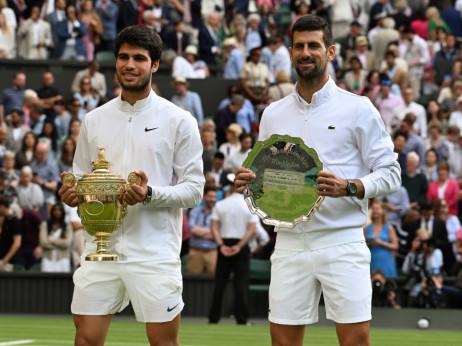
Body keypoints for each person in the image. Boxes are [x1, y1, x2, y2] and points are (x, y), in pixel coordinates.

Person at [234, 14, 401, 346]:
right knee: (282, 342)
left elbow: (391, 173)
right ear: (291, 52)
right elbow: (267, 178)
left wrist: (351, 186)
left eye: (314, 45)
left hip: (342, 241)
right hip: (289, 243)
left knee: (355, 341)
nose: (306, 52)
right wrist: (250, 183)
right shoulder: (272, 113)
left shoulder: (359, 108)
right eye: (299, 46)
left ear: (331, 52)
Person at [58, 25, 204, 345]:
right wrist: (74, 195)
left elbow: (195, 190)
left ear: (154, 65)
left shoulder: (180, 120)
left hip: (154, 254)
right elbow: (81, 178)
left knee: (163, 342)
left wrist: (149, 194)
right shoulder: (93, 119)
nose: (129, 64)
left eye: (139, 58)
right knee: (85, 340)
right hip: (100, 250)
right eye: (123, 57)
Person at [209, 174, 257, 325]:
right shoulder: (249, 205)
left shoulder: (220, 204)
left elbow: (214, 228)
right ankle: (241, 319)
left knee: (219, 284)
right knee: (240, 284)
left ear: (230, 187)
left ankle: (213, 318)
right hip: (240, 247)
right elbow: (252, 229)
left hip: (225, 244)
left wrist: (221, 245)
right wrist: (239, 246)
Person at [186, 186, 218, 274]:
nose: (212, 199)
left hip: (211, 252)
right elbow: (192, 229)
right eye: (210, 196)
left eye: (214, 197)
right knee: (193, 280)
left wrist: (199, 231)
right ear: (204, 196)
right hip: (196, 251)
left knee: (213, 281)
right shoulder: (195, 211)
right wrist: (212, 231)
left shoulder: (218, 213)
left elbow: (219, 234)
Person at [365, 200, 399, 277]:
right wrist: (370, 243)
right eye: (373, 209)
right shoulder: (366, 228)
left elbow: (395, 246)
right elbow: (362, 246)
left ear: (383, 211)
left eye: (377, 208)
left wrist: (382, 243)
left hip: (386, 260)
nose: (375, 211)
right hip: (372, 260)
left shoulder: (389, 228)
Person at [39, 203, 72, 272]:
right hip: (48, 258)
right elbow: (43, 243)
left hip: (62, 259)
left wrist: (51, 239)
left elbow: (67, 243)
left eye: (59, 210)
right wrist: (60, 243)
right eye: (55, 210)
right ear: (52, 212)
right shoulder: (45, 224)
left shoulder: (67, 226)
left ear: (62, 212)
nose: (57, 212)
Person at [0, 194, 21, 272]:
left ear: (2, 207)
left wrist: (4, 261)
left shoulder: (14, 221)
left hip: (7, 264)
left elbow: (17, 243)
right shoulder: (5, 220)